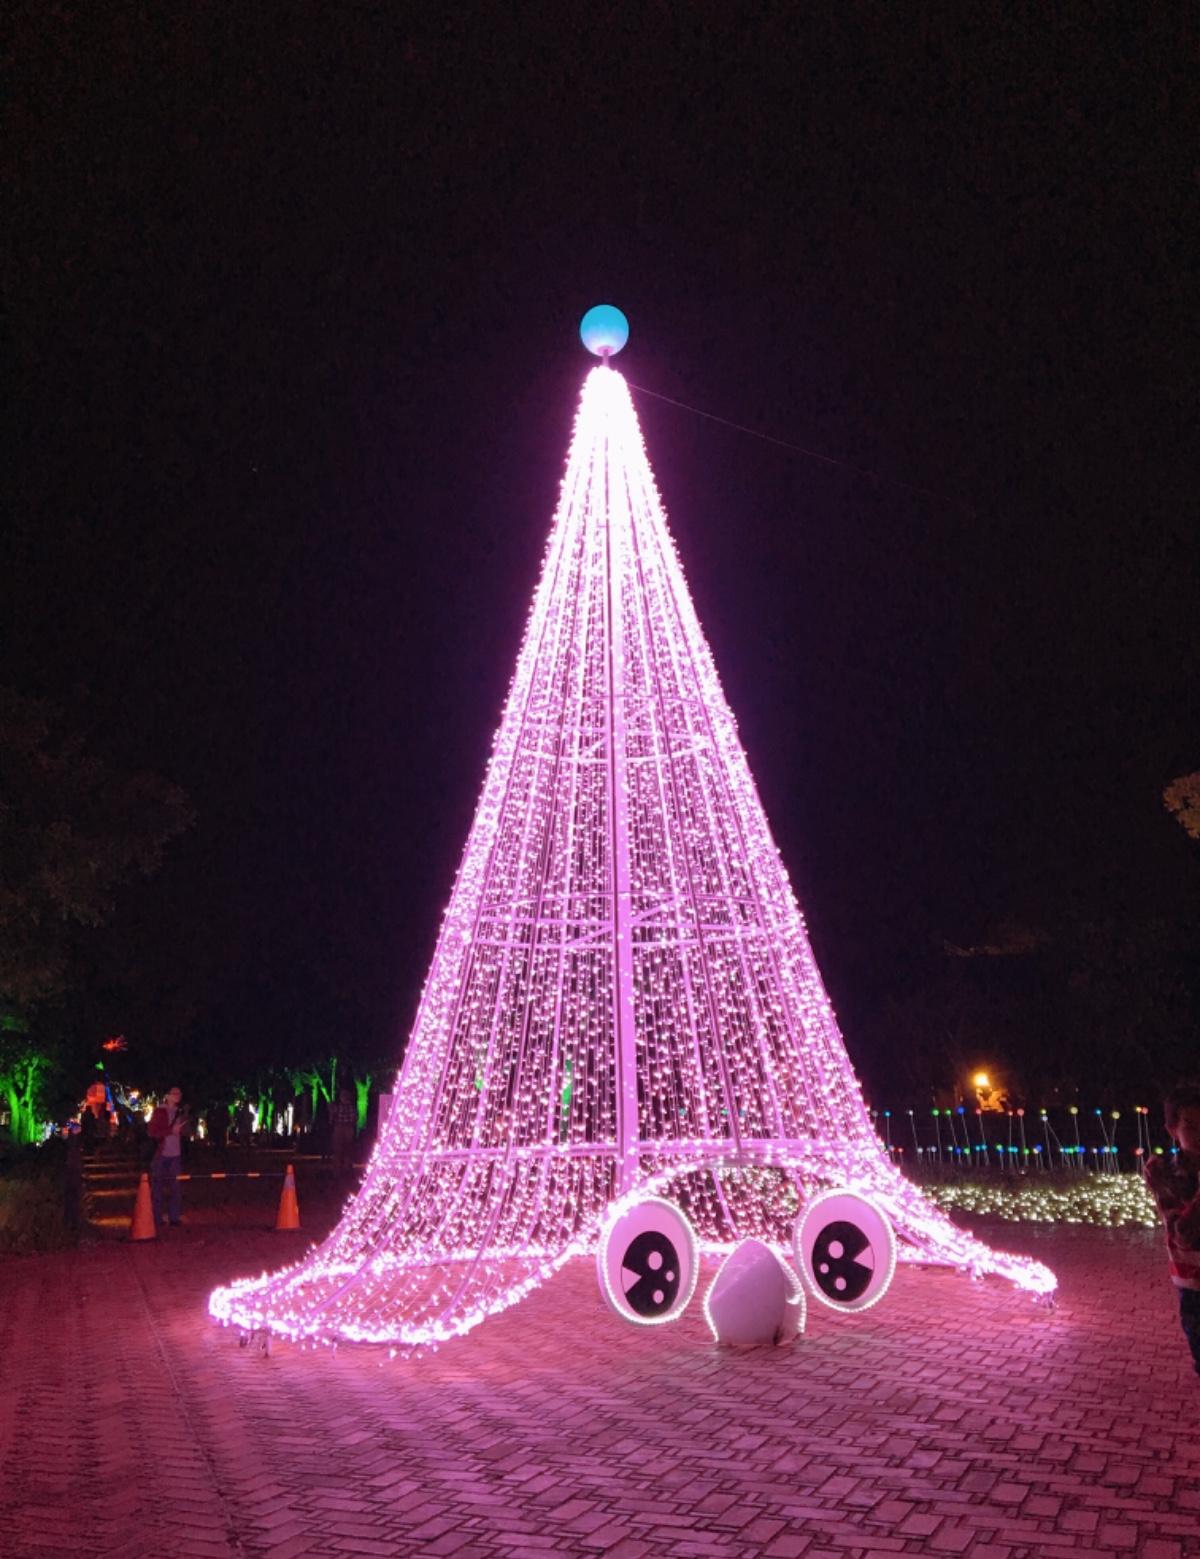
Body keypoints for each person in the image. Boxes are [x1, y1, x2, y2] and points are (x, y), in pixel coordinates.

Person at [1143, 1082, 1200, 1376]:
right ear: (1172, 1129)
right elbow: (1183, 1234)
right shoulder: (1165, 1173)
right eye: (1191, 1125)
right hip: (1194, 1285)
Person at [148, 1087, 190, 1227]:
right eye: (174, 1093)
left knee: (175, 1187)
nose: (178, 1096)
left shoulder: (179, 1112)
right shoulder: (160, 1111)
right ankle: (157, 1217)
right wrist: (171, 1130)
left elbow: (185, 1132)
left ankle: (174, 1217)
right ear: (167, 1096)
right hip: (162, 1153)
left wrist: (185, 1124)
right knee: (158, 1187)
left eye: (179, 1093)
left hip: (175, 1154)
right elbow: (153, 1132)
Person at [329, 1087, 357, 1176]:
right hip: (343, 1128)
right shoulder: (341, 1107)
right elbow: (355, 1118)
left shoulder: (347, 1107)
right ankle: (341, 1169)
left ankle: (343, 1169)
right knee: (341, 1150)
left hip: (344, 1128)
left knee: (344, 1150)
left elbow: (354, 1118)